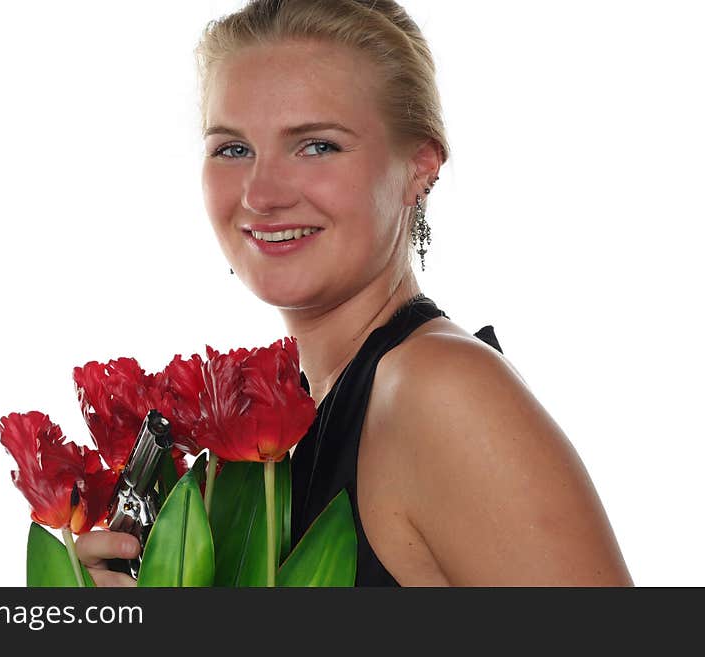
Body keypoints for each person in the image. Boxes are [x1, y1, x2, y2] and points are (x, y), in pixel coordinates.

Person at [76, 0, 633, 586]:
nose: (261, 194)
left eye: (317, 145)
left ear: (420, 166)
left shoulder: (438, 391)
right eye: (233, 149)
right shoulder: (293, 428)